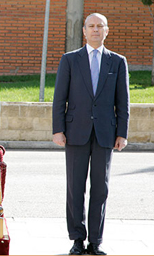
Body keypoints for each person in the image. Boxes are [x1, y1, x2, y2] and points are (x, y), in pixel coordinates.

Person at [52, 13, 130, 255]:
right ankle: (77, 238)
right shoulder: (70, 60)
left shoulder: (117, 62)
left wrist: (122, 132)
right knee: (75, 187)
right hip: (75, 132)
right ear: (84, 31)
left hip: (106, 133)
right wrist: (58, 129)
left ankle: (95, 241)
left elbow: (123, 101)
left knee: (101, 188)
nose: (96, 30)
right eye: (91, 26)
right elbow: (59, 98)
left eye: (100, 26)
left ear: (107, 31)